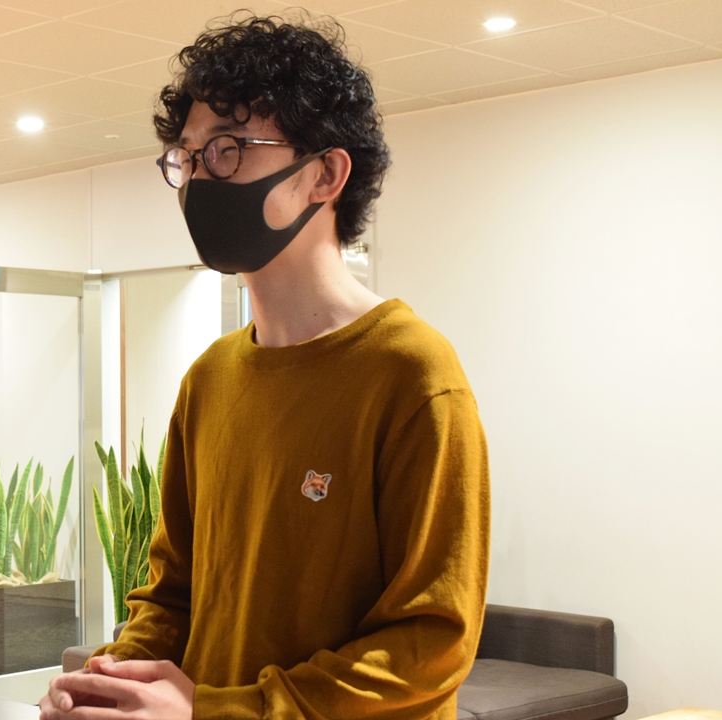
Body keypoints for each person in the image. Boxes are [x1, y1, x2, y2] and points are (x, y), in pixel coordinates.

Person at [41, 12, 490, 720]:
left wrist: (220, 710)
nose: (199, 177)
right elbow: (174, 592)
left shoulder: (412, 374)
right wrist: (109, 680)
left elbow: (432, 642)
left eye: (228, 149)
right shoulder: (210, 379)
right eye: (187, 157)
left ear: (325, 174)